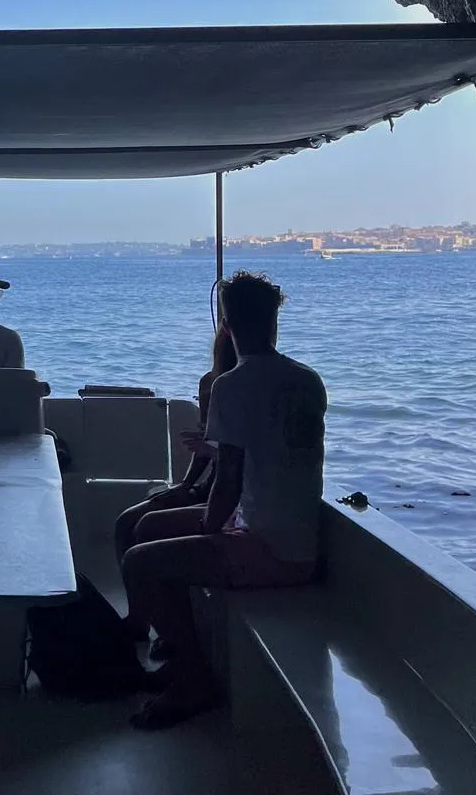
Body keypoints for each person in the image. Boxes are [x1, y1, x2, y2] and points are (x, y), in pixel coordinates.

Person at [119, 271, 326, 731]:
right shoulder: (307, 380)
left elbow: (227, 481)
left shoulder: (232, 385)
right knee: (148, 527)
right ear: (274, 321)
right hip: (287, 535)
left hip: (270, 549)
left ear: (227, 325)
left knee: (140, 562)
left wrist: (207, 532)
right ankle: (181, 655)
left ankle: (195, 679)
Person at [113, 322, 237, 565]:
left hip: (234, 494)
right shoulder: (209, 383)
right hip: (209, 486)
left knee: (146, 527)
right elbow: (203, 446)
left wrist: (213, 452)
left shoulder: (252, 389)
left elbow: (239, 460)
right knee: (125, 522)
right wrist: (186, 484)